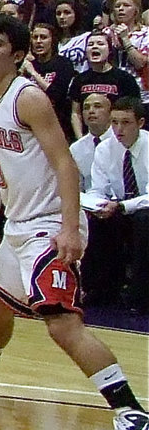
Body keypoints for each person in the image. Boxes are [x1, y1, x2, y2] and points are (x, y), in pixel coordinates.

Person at [0, 18, 148, 430]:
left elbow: (65, 163)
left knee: (62, 324)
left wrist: (70, 227)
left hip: (48, 225)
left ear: (19, 55)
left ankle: (133, 414)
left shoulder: (29, 98)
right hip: (18, 224)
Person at [88, 96, 149, 313]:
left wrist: (122, 206)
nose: (118, 129)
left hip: (142, 209)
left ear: (140, 124)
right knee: (95, 219)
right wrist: (97, 205)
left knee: (144, 220)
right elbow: (97, 189)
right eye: (114, 122)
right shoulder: (105, 149)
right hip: (119, 209)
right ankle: (102, 290)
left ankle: (140, 296)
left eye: (126, 123)